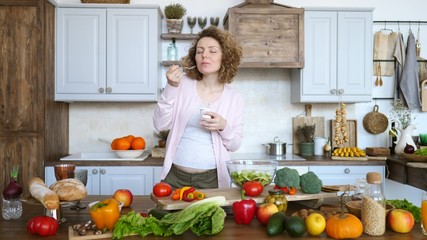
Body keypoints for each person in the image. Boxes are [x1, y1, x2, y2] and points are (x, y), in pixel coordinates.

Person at [153, 26, 244, 189]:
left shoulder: (233, 97)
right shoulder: (181, 85)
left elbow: (234, 144)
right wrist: (171, 87)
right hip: (174, 177)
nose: (205, 55)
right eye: (200, 51)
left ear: (225, 56)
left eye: (212, 51)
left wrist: (223, 127)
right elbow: (160, 125)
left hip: (212, 180)